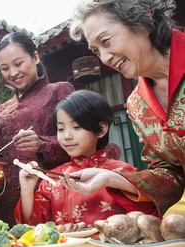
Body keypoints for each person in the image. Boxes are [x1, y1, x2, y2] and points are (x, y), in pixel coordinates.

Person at [67, 0, 185, 217]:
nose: (104, 58)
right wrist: (111, 177)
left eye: (106, 41)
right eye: (97, 51)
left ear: (143, 18)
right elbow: (170, 174)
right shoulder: (136, 105)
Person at [15, 90, 159, 225]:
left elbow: (148, 219)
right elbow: (33, 229)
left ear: (102, 129)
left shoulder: (123, 173)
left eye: (76, 127)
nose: (67, 136)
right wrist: (27, 190)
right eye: (61, 129)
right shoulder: (52, 179)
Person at [0, 32, 74, 226]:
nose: (13, 72)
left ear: (35, 57)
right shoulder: (2, 110)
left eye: (18, 63)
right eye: (5, 68)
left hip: (50, 194)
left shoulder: (60, 90)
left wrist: (41, 144)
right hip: (8, 203)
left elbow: (83, 141)